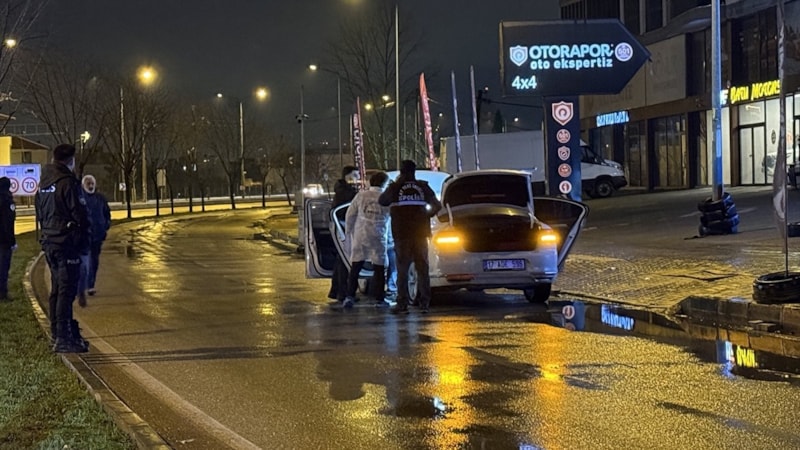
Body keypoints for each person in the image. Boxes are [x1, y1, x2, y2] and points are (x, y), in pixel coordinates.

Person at [35, 143, 91, 353]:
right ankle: (64, 338)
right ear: (70, 160)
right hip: (66, 243)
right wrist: (83, 242)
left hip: (50, 242)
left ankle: (58, 333)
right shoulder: (68, 183)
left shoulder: (44, 184)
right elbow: (81, 215)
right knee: (66, 292)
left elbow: (40, 213)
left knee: (57, 290)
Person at [378, 160, 442, 314]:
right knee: (422, 269)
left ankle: (402, 303)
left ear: (401, 171)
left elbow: (382, 201)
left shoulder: (395, 187)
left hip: (402, 233)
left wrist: (394, 186)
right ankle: (424, 303)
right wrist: (426, 215)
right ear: (414, 171)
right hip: (420, 233)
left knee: (403, 269)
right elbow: (437, 205)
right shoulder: (422, 186)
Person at [342, 171, 390, 308]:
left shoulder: (361, 195)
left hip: (361, 234)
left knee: (356, 266)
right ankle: (379, 299)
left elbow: (350, 214)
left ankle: (349, 296)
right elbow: (392, 215)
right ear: (384, 183)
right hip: (379, 235)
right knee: (379, 268)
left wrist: (348, 232)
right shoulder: (385, 197)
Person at [77, 174, 111, 307]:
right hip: (84, 236)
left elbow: (107, 213)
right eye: (88, 183)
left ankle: (90, 285)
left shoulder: (100, 199)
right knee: (84, 263)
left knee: (94, 261)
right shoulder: (80, 199)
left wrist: (106, 225)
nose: (90, 186)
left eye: (92, 183)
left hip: (97, 236)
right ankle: (82, 287)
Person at [328, 165, 360, 302]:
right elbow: (345, 211)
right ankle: (343, 292)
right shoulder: (345, 192)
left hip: (343, 228)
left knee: (342, 261)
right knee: (345, 261)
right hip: (344, 229)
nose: (358, 178)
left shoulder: (343, 190)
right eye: (356, 175)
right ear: (348, 177)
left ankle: (337, 291)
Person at [0, 177, 16, 301]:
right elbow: (8, 223)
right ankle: (2, 293)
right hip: (4, 241)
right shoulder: (7, 200)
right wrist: (12, 241)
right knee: (4, 266)